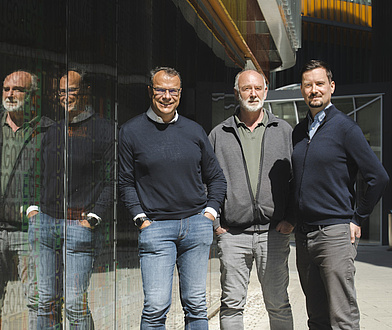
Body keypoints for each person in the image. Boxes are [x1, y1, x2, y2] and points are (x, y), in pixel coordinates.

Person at [119, 66, 227, 329]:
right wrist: (141, 219)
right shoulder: (131, 131)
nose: (166, 96)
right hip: (156, 228)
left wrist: (209, 214)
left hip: (196, 226)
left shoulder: (194, 130)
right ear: (150, 91)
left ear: (180, 93)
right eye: (160, 90)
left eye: (173, 91)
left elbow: (217, 178)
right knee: (155, 307)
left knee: (197, 305)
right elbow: (125, 182)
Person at [292, 59, 389, 329]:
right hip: (303, 236)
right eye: (308, 85)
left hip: (334, 234)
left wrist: (358, 218)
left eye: (320, 84)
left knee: (342, 318)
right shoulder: (299, 132)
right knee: (317, 318)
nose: (314, 90)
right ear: (301, 89)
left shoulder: (346, 129)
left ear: (331, 87)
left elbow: (378, 177)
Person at [208, 69, 294, 329]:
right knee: (232, 304)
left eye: (258, 88)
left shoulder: (284, 130)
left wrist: (291, 218)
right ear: (237, 93)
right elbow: (206, 182)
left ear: (266, 91)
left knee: (278, 303)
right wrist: (217, 225)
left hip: (274, 232)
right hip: (233, 235)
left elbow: (297, 178)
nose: (253, 93)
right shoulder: (219, 134)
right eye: (247, 88)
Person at [29, 69, 114, 329]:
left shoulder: (105, 130)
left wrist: (93, 217)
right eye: (61, 92)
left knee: (75, 306)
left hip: (79, 227)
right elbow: (36, 172)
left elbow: (113, 180)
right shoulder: (52, 131)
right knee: (45, 302)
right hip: (44, 225)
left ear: (85, 93)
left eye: (72, 91)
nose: (65, 97)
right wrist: (33, 210)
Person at [0, 70, 53, 329]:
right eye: (6, 88)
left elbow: (55, 180)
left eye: (17, 89)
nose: (10, 94)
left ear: (32, 95)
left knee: (37, 298)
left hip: (29, 231)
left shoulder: (47, 130)